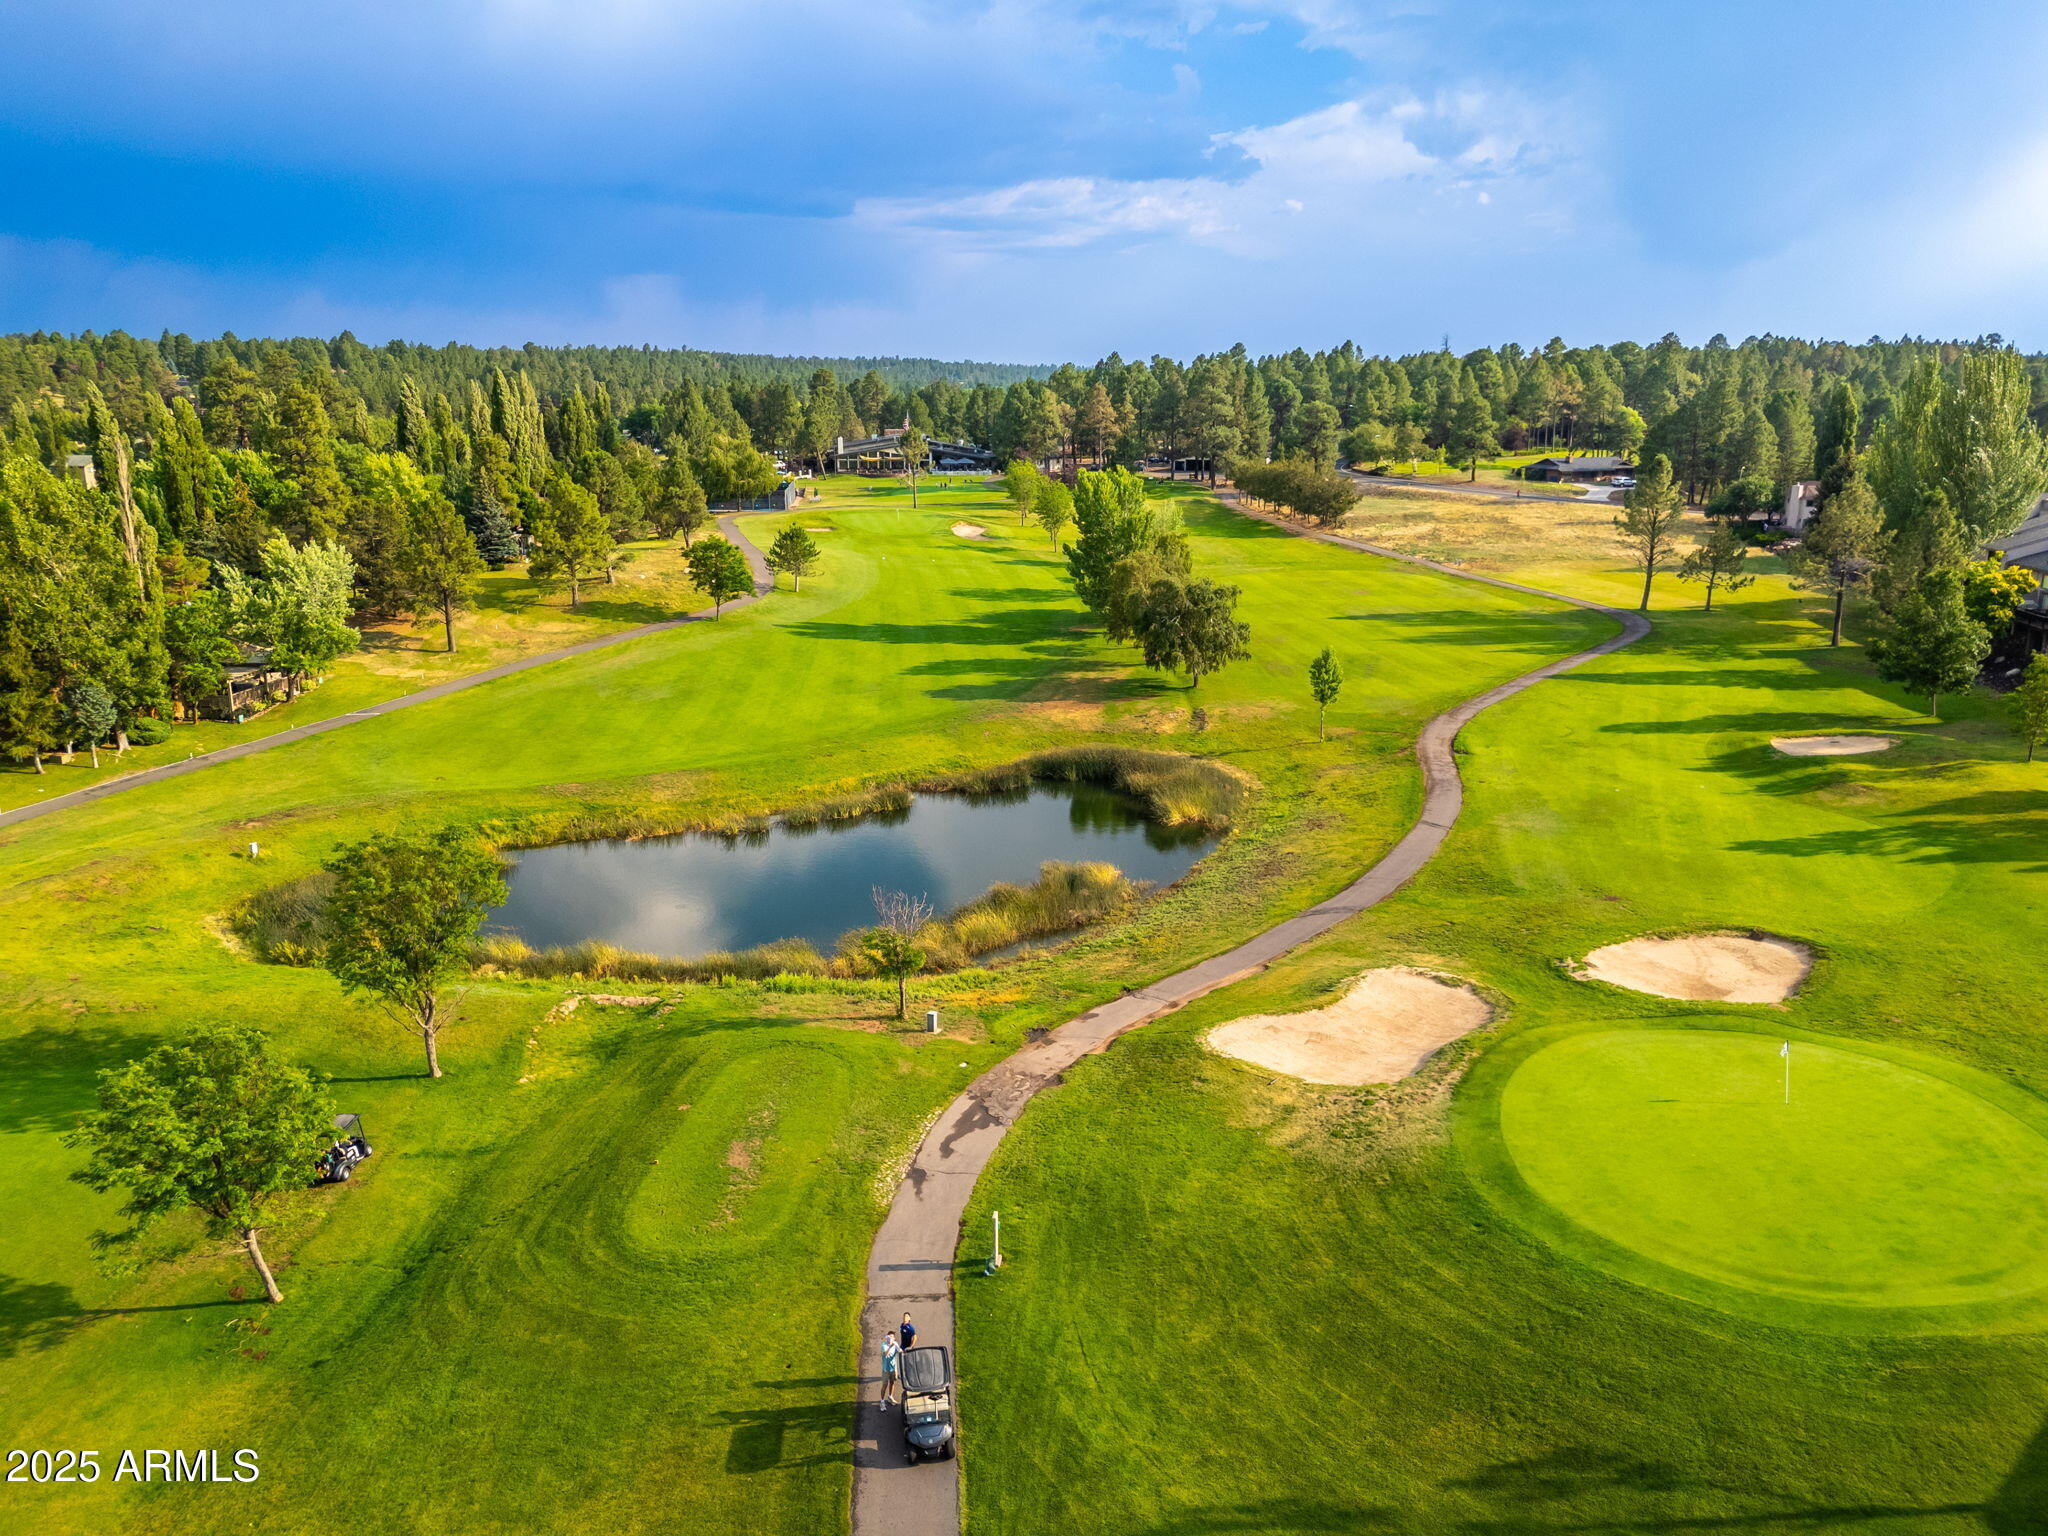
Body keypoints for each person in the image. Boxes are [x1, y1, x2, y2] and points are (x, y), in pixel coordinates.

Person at [879, 1334, 900, 1409]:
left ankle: (890, 1397)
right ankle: (882, 1401)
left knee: (892, 1382)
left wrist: (897, 1347)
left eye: (891, 1337)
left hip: (893, 1369)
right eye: (888, 1337)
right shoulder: (884, 1345)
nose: (889, 1339)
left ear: (894, 1338)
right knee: (884, 1385)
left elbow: (900, 1351)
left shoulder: (896, 1343)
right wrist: (891, 1346)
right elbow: (885, 1354)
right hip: (886, 1369)